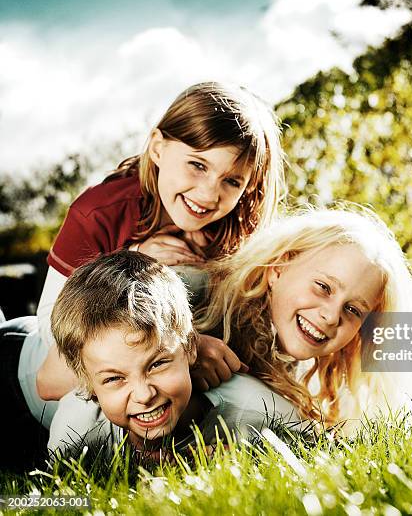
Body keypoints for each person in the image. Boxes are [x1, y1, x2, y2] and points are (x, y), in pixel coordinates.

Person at [18, 81, 285, 431]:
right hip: (41, 364)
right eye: (198, 165)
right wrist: (133, 261)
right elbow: (50, 326)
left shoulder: (238, 231)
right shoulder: (100, 212)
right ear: (158, 148)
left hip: (166, 378)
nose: (208, 193)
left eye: (232, 181)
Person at [196, 207, 412, 430]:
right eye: (323, 287)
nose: (332, 316)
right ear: (278, 267)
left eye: (354, 310)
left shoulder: (304, 377)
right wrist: (186, 345)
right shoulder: (197, 294)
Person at [47, 251, 300, 461]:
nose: (144, 395)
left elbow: (311, 451)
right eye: (114, 379)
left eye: (156, 364)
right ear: (88, 384)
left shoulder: (261, 412)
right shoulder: (77, 432)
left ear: (191, 347)